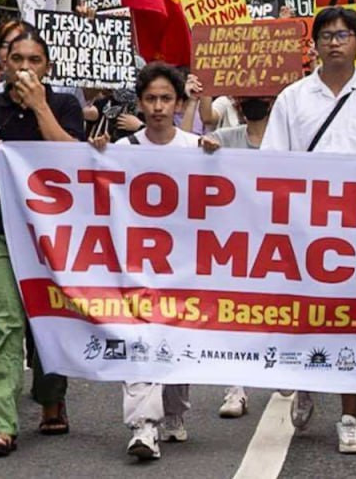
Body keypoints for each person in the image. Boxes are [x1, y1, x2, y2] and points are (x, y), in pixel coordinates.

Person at [262, 5, 356, 455]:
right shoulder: (292, 98)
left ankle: (350, 416)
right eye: (326, 34)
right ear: (314, 44)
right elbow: (273, 162)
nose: (334, 41)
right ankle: (307, 383)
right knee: (307, 320)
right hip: (305, 231)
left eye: (343, 34)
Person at [0, 30, 86, 458]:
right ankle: (0, 424)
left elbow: (73, 158)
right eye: (17, 59)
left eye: (35, 60)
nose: (25, 68)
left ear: (47, 67)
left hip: (53, 239)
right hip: (0, 232)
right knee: (5, 322)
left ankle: (51, 397)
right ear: (3, 64)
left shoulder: (65, 105)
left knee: (48, 320)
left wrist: (38, 107)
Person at [104, 63, 220, 461]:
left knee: (175, 339)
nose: (157, 107)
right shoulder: (121, 151)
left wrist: (217, 161)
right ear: (139, 101)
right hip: (136, 264)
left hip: (185, 266)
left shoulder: (195, 148)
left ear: (178, 102)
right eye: (150, 99)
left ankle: (173, 413)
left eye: (165, 98)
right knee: (140, 339)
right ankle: (143, 426)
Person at [199, 90, 275, 419]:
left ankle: (283, 370)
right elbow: (195, 136)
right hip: (235, 241)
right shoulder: (228, 138)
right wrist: (204, 144)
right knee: (234, 313)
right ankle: (235, 388)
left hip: (277, 241)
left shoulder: (289, 140)